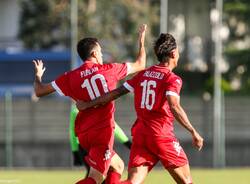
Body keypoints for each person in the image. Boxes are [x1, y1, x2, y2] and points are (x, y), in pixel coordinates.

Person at [76, 33, 204, 184]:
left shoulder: (143, 75)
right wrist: (193, 131)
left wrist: (88, 104)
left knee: (132, 182)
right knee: (187, 181)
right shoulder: (172, 79)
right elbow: (174, 105)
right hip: (161, 135)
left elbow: (116, 93)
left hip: (141, 135)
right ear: (174, 53)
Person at [33, 24, 147, 184]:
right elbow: (140, 64)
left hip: (85, 135)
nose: (102, 54)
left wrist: (38, 75)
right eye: (100, 51)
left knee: (118, 166)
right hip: (102, 132)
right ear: (94, 53)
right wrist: (141, 41)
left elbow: (39, 91)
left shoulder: (70, 77)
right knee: (95, 178)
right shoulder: (110, 69)